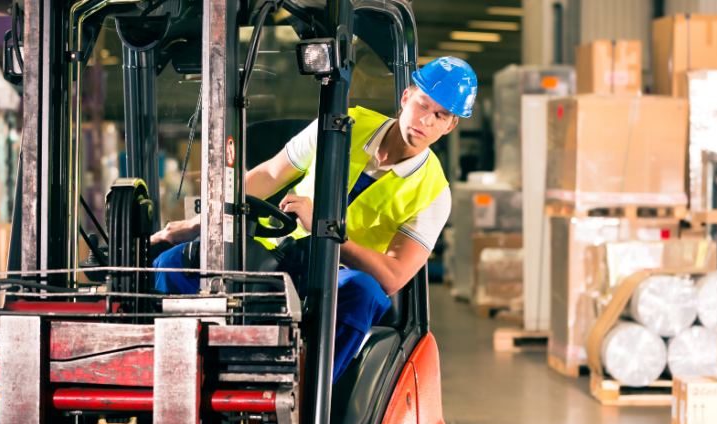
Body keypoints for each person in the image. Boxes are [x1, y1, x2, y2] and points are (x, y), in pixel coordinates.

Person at [152, 56, 477, 383]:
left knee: (365, 293)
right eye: (423, 105)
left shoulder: (434, 193)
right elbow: (269, 174)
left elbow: (393, 276)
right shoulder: (342, 123)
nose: (427, 120)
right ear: (406, 98)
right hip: (269, 251)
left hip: (331, 275)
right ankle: (181, 383)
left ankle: (303, 401)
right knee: (173, 263)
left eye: (441, 115)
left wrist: (326, 229)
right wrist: (199, 223)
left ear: (451, 125)